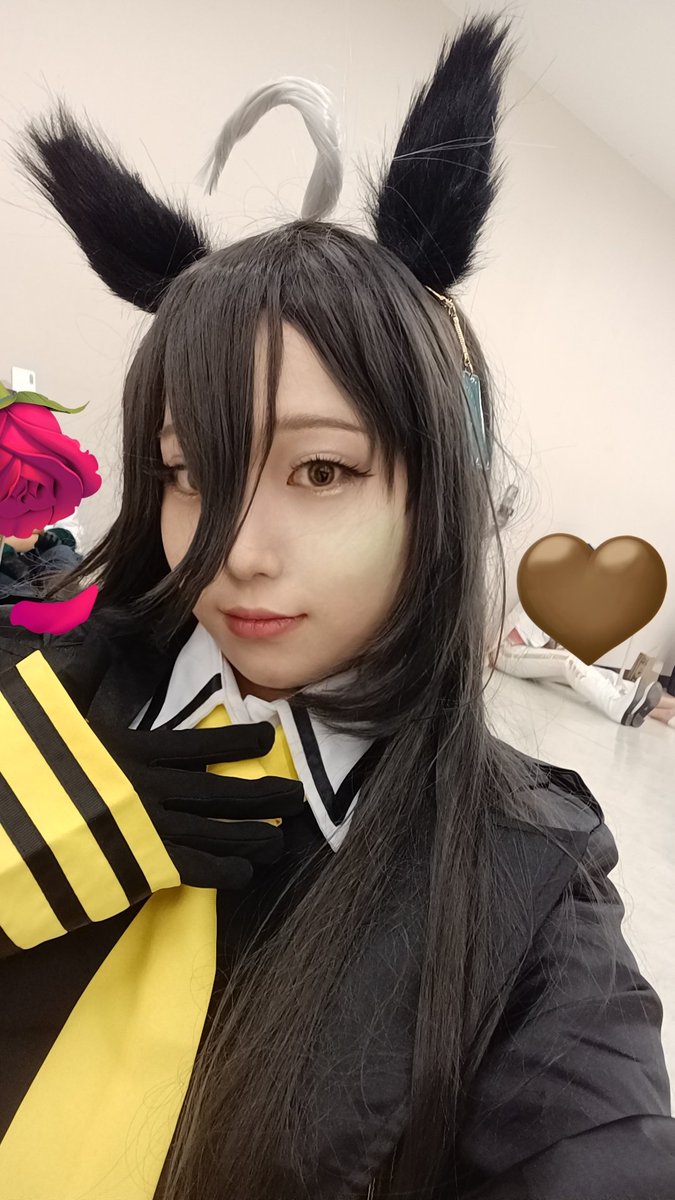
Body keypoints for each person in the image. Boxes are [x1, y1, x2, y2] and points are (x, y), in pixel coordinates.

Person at [1, 15, 674, 1200]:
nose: (235, 553)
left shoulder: (527, 890)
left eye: (322, 471)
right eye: (190, 472)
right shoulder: (40, 694)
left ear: (439, 497)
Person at [489, 599, 666, 726]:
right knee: (569, 662)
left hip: (529, 658)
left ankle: (636, 698)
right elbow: (514, 639)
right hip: (507, 653)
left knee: (595, 671)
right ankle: (616, 706)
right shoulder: (546, 594)